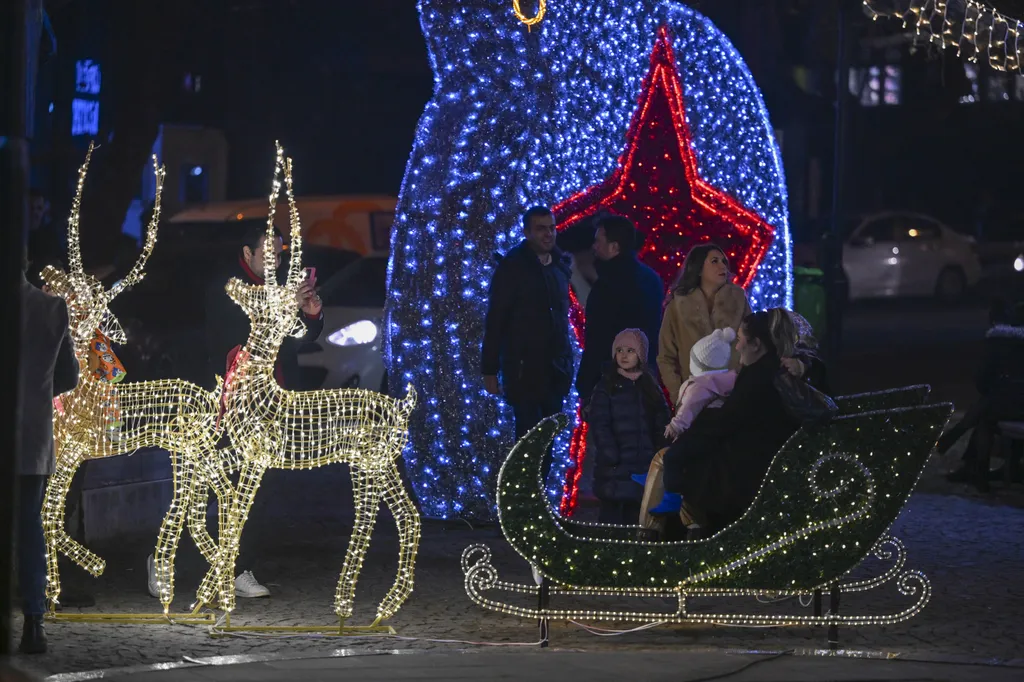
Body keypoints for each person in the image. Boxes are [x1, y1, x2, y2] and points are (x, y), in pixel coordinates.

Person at [144, 223, 324, 600]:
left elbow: (297, 337)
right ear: (247, 254)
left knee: (256, 489)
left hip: (268, 408)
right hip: (226, 407)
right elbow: (244, 342)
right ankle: (162, 556)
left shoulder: (279, 290)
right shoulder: (230, 289)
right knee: (205, 486)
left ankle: (240, 566)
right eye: (268, 253)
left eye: (280, 253)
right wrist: (284, 308)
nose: (276, 260)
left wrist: (310, 314)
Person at [662, 309, 801, 538]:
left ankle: (690, 533)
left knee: (684, 464)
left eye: (740, 340)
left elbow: (729, 420)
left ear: (756, 344)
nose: (736, 347)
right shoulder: (760, 370)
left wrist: (690, 432)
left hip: (749, 465)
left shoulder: (759, 376)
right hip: (752, 451)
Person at [17, 253, 81, 654]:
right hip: (31, 438)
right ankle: (34, 623)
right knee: (29, 529)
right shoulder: (51, 308)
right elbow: (69, 375)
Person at [482, 206, 574, 478]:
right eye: (541, 229)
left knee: (546, 442)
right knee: (527, 442)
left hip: (555, 370)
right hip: (524, 370)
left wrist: (565, 362)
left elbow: (560, 317)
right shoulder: (513, 268)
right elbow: (496, 318)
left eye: (551, 228)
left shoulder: (559, 267)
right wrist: (489, 368)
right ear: (527, 232)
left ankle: (539, 505)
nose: (548, 234)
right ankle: (523, 507)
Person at [635, 328, 738, 536]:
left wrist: (675, 425)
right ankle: (656, 484)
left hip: (703, 438)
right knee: (668, 456)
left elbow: (689, 408)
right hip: (706, 437)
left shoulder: (702, 386)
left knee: (672, 459)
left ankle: (668, 498)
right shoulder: (720, 383)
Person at [576, 214, 664, 403]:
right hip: (646, 378)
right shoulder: (652, 279)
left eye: (598, 241)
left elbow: (597, 339)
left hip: (610, 384)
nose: (594, 247)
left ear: (614, 247)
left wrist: (585, 386)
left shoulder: (607, 286)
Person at [939, 298, 1024, 490]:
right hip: (1015, 406)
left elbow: (983, 380)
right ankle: (981, 466)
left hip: (1008, 407)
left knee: (985, 416)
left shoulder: (1000, 342)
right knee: (989, 406)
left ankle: (978, 471)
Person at [587, 329, 669, 525]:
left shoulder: (649, 386)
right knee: (612, 518)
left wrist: (658, 449)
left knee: (638, 515)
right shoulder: (606, 386)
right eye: (620, 350)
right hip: (615, 467)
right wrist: (610, 454)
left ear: (640, 355)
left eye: (630, 350)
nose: (623, 355)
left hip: (643, 465)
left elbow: (661, 419)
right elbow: (600, 424)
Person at [658, 244, 751, 405]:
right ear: (699, 269)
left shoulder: (739, 301)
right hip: (693, 401)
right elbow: (666, 357)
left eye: (724, 261)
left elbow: (753, 346)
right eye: (714, 261)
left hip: (732, 399)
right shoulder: (677, 306)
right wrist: (679, 395)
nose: (722, 266)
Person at [26, 188, 66, 287]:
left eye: (39, 208)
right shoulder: (12, 238)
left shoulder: (50, 240)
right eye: (31, 208)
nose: (35, 213)